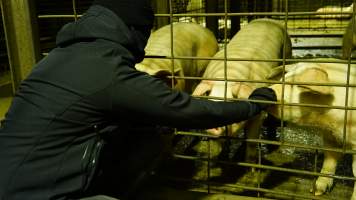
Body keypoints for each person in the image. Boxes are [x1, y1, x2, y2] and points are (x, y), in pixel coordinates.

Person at [0, 0, 277, 200]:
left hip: (13, 172)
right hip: (29, 192)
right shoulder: (108, 70)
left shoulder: (59, 57)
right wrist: (253, 104)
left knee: (145, 137)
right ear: (133, 32)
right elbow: (189, 110)